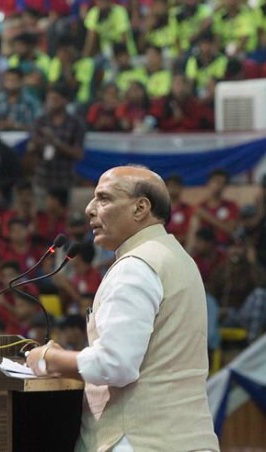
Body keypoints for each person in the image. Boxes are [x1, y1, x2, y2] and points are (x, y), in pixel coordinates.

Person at [25, 166, 219, 451]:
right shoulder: (176, 258)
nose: (90, 209)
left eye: (104, 199)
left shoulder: (136, 267)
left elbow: (115, 364)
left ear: (140, 208)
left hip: (139, 440)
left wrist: (49, 358)